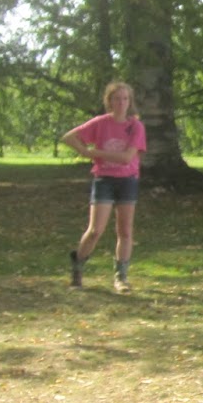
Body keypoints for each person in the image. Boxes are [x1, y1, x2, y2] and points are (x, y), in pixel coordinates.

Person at [62, 81, 147, 294]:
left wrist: (93, 153)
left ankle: (121, 277)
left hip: (128, 180)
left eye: (125, 99)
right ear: (109, 101)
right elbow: (69, 137)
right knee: (95, 230)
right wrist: (83, 150)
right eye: (117, 99)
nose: (121, 103)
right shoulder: (101, 123)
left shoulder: (135, 126)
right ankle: (78, 268)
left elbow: (127, 157)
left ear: (130, 102)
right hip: (104, 180)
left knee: (125, 231)